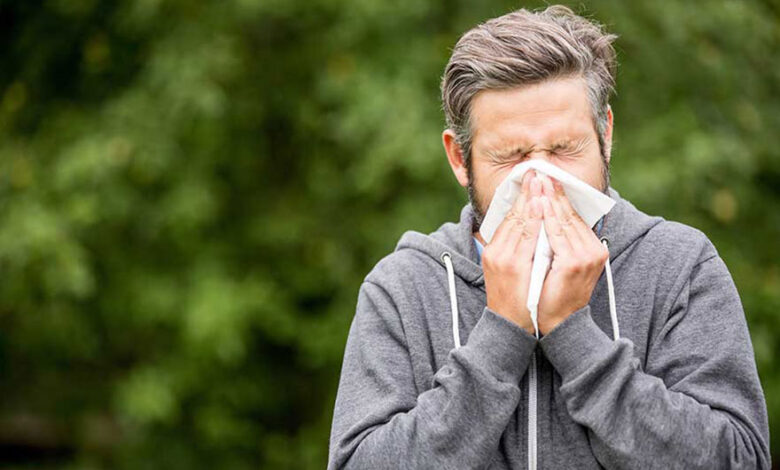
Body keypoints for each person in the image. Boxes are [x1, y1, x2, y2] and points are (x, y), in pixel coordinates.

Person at [327, 5, 771, 469]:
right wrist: (501, 333)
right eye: (510, 155)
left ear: (605, 135)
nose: (540, 180)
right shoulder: (403, 287)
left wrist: (574, 336)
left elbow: (739, 458)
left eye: (564, 149)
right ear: (460, 159)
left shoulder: (679, 266)